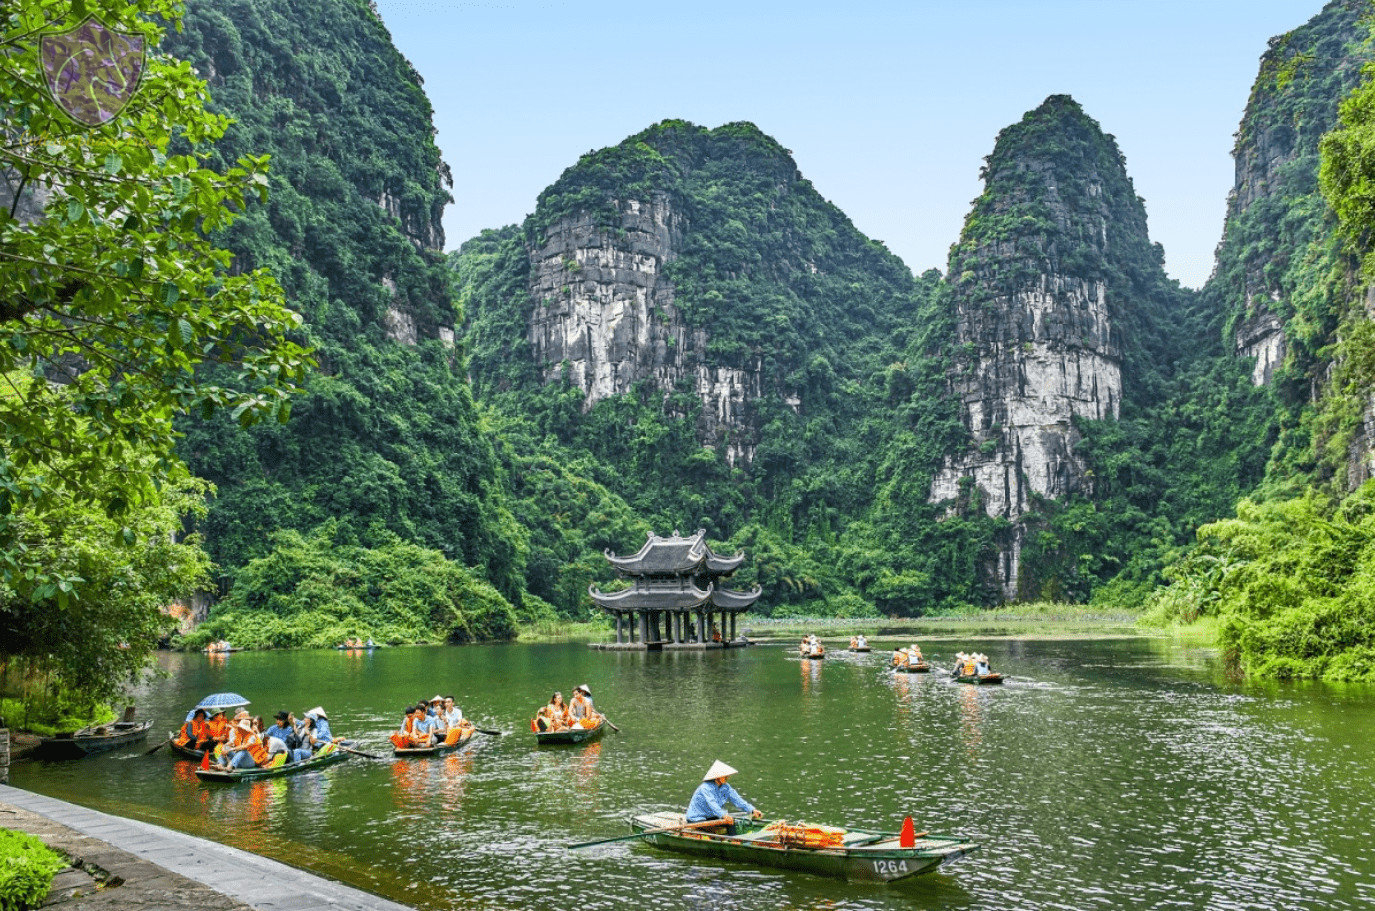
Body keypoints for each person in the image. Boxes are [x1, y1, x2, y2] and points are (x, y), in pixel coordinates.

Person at [686, 760, 762, 836]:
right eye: (725, 776)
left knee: (731, 822)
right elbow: (713, 804)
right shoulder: (705, 788)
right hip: (697, 819)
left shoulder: (726, 787)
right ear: (717, 777)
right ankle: (730, 841)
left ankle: (734, 841)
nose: (727, 777)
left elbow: (737, 800)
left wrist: (752, 810)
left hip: (711, 817)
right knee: (725, 822)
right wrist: (724, 816)